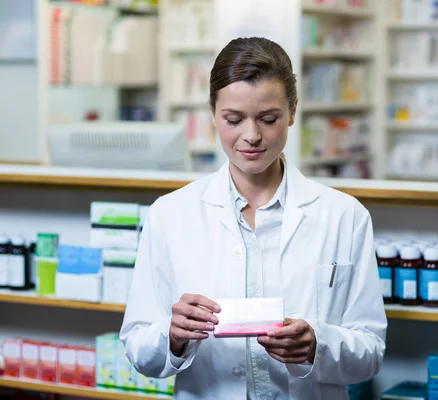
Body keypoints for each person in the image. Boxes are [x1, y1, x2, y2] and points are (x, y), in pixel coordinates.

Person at [120, 37, 387, 400]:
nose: (252, 136)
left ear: (293, 110)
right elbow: (137, 348)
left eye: (268, 118)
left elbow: (370, 352)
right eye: (234, 119)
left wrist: (317, 344)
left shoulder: (344, 216)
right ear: (213, 113)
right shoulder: (169, 215)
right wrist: (173, 336)